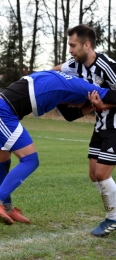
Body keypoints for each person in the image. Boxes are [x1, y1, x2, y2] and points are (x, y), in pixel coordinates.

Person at [0, 70, 116, 226]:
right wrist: (101, 103)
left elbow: (69, 114)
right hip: (2, 113)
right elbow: (109, 95)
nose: (71, 105)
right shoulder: (84, 87)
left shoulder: (65, 81)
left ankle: (7, 207)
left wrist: (92, 105)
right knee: (30, 160)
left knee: (2, 165)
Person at [51, 24, 116, 237]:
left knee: (102, 173)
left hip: (115, 126)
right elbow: (55, 71)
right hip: (100, 126)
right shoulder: (75, 65)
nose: (70, 49)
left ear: (86, 45)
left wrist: (105, 106)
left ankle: (113, 218)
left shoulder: (107, 66)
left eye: (73, 45)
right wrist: (35, 81)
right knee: (93, 175)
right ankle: (113, 212)